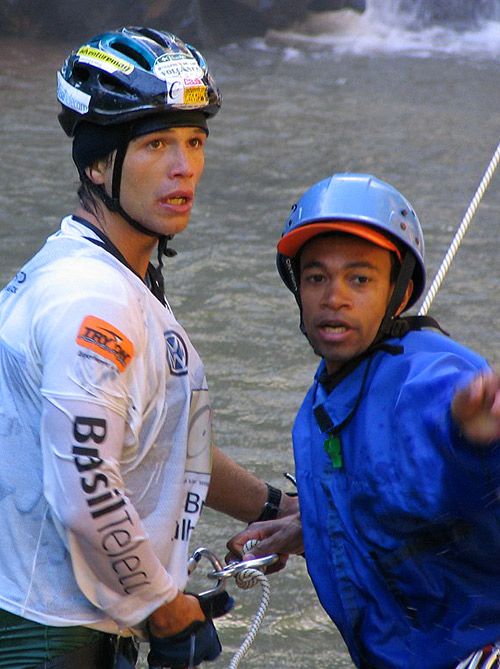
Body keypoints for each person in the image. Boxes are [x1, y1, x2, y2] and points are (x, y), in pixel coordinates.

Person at [0, 27, 296, 669]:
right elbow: (87, 486)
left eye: (194, 141)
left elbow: (154, 442)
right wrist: (164, 608)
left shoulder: (87, 272)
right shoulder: (93, 302)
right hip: (54, 636)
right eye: (157, 144)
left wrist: (280, 508)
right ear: (98, 163)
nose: (184, 165)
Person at [227, 173, 500, 669]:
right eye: (316, 277)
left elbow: (450, 438)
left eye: (360, 278)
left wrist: (479, 438)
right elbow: (398, 506)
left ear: (400, 292)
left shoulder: (434, 378)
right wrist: (310, 527)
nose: (335, 296)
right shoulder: (317, 409)